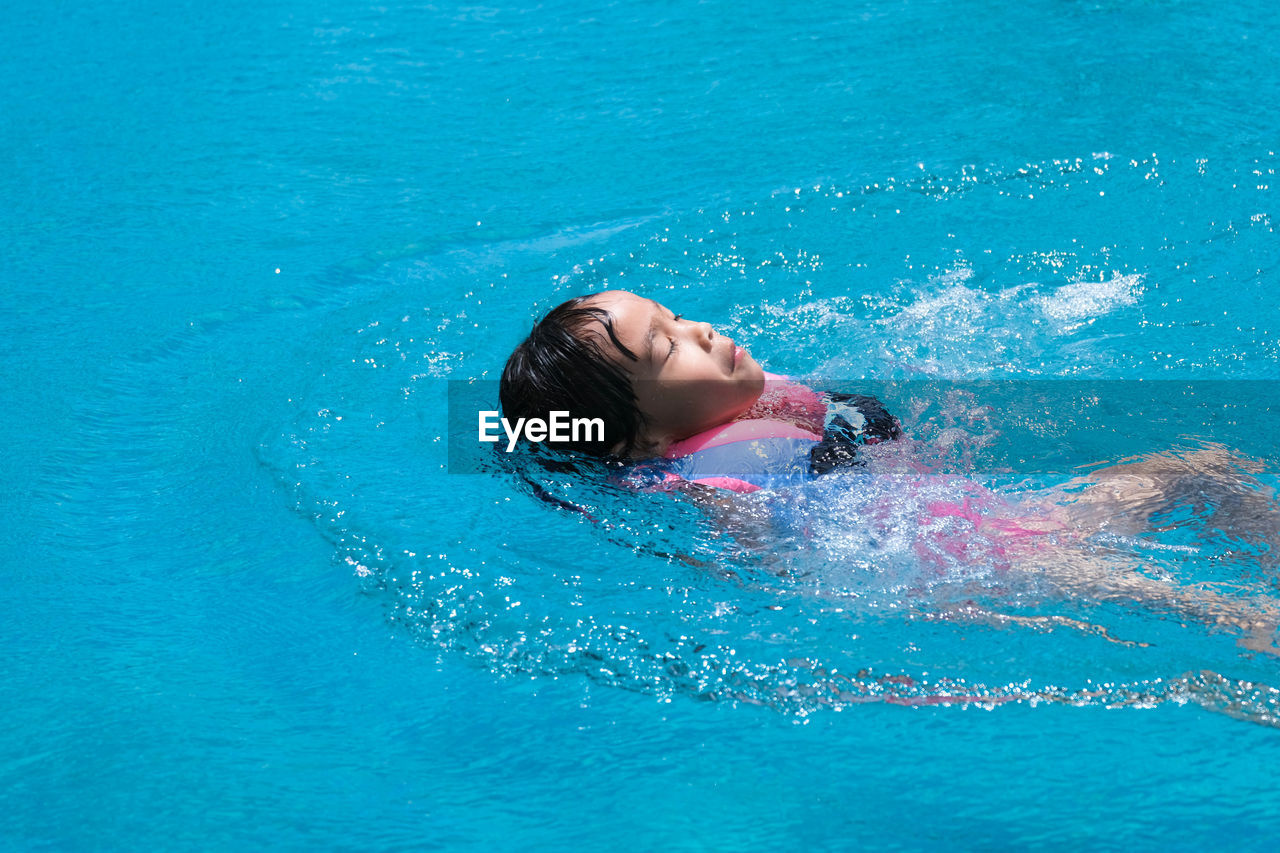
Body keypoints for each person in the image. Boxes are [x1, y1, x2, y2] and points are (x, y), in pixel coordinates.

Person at [499, 290, 1280, 651]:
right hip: (960, 561)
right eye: (668, 346)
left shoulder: (755, 407)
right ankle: (1249, 627)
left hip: (980, 518)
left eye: (673, 315)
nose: (698, 328)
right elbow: (764, 562)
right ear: (637, 438)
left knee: (1193, 469)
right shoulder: (707, 480)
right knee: (1141, 583)